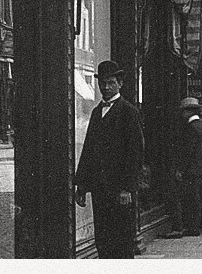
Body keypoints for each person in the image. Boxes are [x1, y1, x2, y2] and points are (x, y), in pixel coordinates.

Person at [73, 60, 145, 259]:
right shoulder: (97, 112)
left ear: (120, 83)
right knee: (103, 239)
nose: (105, 87)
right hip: (99, 188)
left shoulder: (129, 112)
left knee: (122, 239)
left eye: (111, 82)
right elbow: (89, 150)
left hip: (119, 189)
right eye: (102, 83)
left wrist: (127, 188)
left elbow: (135, 153)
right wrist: (81, 186)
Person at [164, 97, 202, 238]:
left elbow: (187, 151)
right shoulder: (200, 126)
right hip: (198, 167)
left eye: (183, 112)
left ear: (189, 112)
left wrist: (180, 170)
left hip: (191, 169)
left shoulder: (192, 128)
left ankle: (189, 227)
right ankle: (192, 226)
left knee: (189, 198)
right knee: (194, 198)